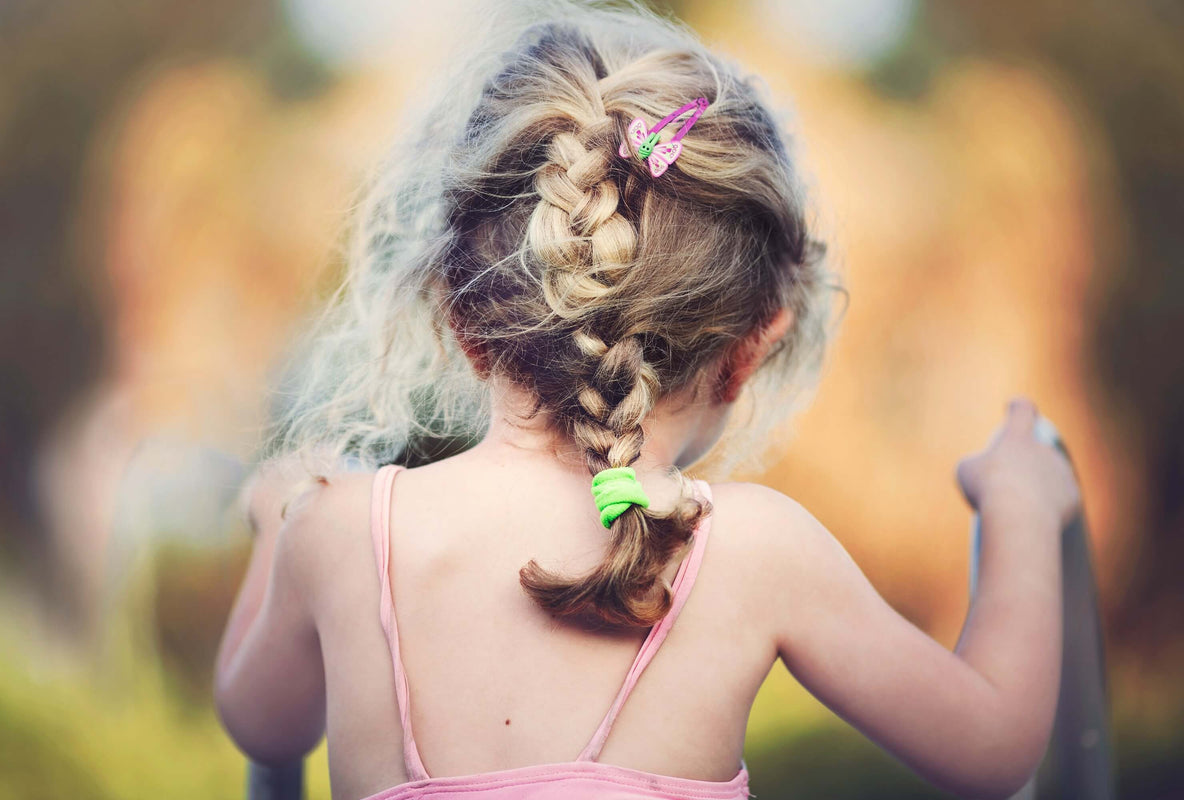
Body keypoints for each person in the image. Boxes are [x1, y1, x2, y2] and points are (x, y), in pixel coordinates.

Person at [214, 3, 1080, 799]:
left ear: (460, 314)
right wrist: (1022, 511)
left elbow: (263, 722)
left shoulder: (341, 536)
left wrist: (274, 525)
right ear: (752, 347)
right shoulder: (754, 552)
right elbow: (994, 746)